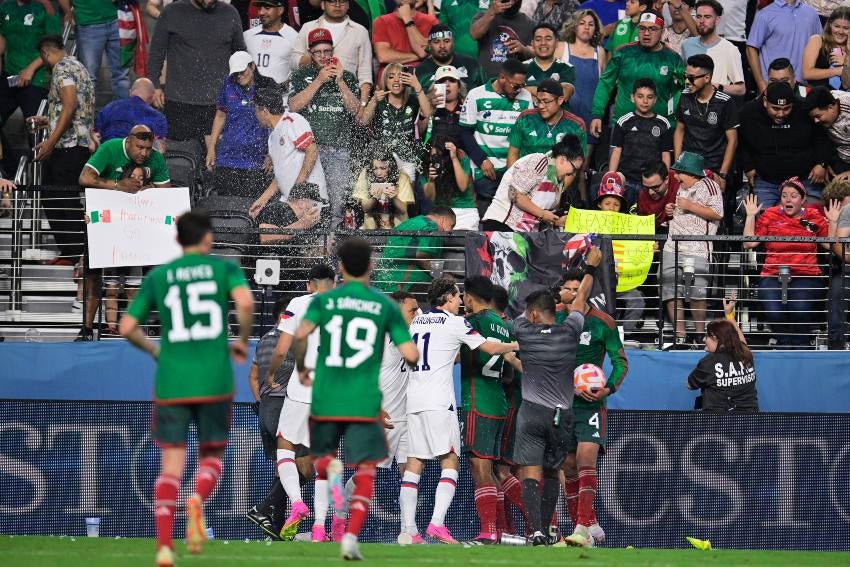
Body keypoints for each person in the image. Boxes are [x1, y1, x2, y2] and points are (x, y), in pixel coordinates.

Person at [119, 211, 254, 567]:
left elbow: (127, 326)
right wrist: (240, 340)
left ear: (177, 240)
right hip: (213, 380)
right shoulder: (224, 269)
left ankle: (164, 547)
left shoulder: (159, 276)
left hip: (172, 380)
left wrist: (154, 349)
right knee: (211, 458)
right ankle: (197, 499)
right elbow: (245, 303)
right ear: (208, 239)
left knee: (170, 466)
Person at [291, 236, 419, 560]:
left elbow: (301, 335)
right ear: (372, 266)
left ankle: (331, 513)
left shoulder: (324, 301)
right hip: (363, 399)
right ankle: (349, 536)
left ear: (341, 267)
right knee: (365, 472)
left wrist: (303, 368)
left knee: (328, 463)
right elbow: (411, 354)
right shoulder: (384, 306)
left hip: (328, 396)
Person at [400, 276, 518, 544]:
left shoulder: (417, 322)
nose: (460, 301)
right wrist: (516, 344)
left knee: (414, 462)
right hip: (439, 402)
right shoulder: (455, 323)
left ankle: (409, 529)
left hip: (414, 400)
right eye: (456, 297)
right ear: (447, 299)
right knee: (450, 461)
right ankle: (437, 525)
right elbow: (490, 347)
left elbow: (438, 353)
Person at [507, 246, 601, 546]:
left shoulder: (522, 329)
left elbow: (530, 310)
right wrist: (591, 269)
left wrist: (552, 296)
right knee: (551, 472)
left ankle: (535, 530)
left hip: (531, 411)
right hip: (562, 414)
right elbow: (581, 300)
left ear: (534, 313)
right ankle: (547, 529)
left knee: (529, 471)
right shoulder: (570, 330)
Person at [77, 125, 172, 340]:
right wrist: (118, 185)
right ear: (128, 141)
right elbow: (85, 178)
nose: (144, 153)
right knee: (94, 278)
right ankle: (86, 328)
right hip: (105, 225)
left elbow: (167, 192)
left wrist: (153, 190)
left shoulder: (156, 158)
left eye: (148, 148)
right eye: (140, 147)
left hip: (135, 229)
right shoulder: (111, 148)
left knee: (133, 284)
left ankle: (133, 332)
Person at [556, 268, 627, 547]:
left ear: (586, 290)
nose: (572, 295)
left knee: (587, 459)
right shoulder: (557, 319)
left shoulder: (602, 323)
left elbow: (620, 361)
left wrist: (607, 387)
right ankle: (590, 523)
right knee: (568, 467)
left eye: (577, 289)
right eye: (568, 289)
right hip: (561, 401)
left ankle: (582, 528)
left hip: (591, 404)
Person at [458, 276, 516, 544]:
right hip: (499, 402)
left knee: (480, 469)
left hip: (477, 401)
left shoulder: (472, 323)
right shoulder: (504, 325)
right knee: (495, 472)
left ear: (469, 297)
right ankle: (511, 530)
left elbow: (457, 354)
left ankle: (488, 532)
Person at [31, 35, 94, 268]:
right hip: (78, 144)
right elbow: (74, 110)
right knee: (65, 198)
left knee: (57, 198)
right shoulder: (79, 66)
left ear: (45, 53)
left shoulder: (61, 68)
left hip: (66, 146)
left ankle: (71, 253)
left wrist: (49, 142)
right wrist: (47, 120)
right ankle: (75, 252)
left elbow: (69, 105)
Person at [288, 27, 361, 226]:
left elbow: (357, 112)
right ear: (310, 54)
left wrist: (340, 82)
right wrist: (319, 80)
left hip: (339, 149)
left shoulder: (347, 77)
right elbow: (293, 106)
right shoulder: (300, 76)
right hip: (309, 151)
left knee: (337, 204)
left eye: (327, 51)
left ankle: (332, 247)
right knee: (310, 203)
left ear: (333, 51)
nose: (323, 56)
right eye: (318, 52)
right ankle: (312, 248)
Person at [742, 181, 829, 347]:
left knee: (800, 309)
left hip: (806, 274)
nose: (788, 200)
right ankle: (783, 344)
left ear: (803, 199)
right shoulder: (769, 214)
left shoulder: (813, 216)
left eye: (794, 196)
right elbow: (749, 244)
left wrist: (833, 221)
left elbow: (828, 245)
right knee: (773, 312)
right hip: (772, 273)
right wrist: (751, 216)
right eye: (784, 196)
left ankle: (800, 345)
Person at [147, 0, 246, 142]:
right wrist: (155, 85)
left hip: (218, 105)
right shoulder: (171, 12)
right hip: (179, 103)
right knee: (180, 159)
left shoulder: (230, 13)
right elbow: (156, 53)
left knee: (214, 160)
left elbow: (240, 55)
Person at [245, 296, 297, 540]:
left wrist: (260, 400)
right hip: (283, 407)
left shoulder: (263, 340)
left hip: (266, 408)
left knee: (282, 468)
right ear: (284, 316)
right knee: (298, 464)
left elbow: (253, 376)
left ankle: (276, 527)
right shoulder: (292, 342)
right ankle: (264, 510)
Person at [590, 11, 686, 138]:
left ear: (663, 32)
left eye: (652, 29)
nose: (646, 33)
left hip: (658, 129)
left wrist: (672, 122)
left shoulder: (673, 58)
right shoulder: (623, 53)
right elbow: (605, 83)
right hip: (623, 126)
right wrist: (597, 114)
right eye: (642, 28)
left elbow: (679, 92)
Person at [662, 151, 723, 345]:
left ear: (692, 173)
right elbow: (680, 211)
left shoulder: (711, 186)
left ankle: (699, 334)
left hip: (697, 248)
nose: (676, 176)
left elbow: (717, 214)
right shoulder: (680, 186)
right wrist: (670, 209)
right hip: (672, 245)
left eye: (680, 172)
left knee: (697, 293)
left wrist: (690, 206)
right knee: (670, 291)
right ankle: (680, 335)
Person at [460, 59, 534, 214]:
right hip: (486, 168)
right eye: (515, 86)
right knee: (491, 213)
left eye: (522, 85)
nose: (519, 90)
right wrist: (481, 160)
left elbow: (526, 135)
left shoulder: (525, 97)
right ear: (502, 78)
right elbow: (465, 133)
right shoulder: (476, 95)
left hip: (514, 167)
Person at [740, 82, 831, 207]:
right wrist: (748, 166)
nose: (781, 114)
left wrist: (821, 163)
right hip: (767, 180)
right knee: (764, 221)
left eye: (786, 108)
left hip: (805, 178)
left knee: (813, 216)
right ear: (765, 101)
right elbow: (741, 142)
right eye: (776, 108)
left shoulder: (804, 109)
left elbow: (821, 137)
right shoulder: (748, 112)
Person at [251, 87, 327, 220]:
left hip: (310, 202)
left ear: (265, 110)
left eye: (256, 109)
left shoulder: (292, 120)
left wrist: (299, 185)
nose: (255, 114)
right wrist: (262, 200)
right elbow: (280, 175)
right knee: (264, 225)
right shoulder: (272, 138)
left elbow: (312, 150)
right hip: (290, 202)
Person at [482, 134, 585, 232]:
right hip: (503, 225)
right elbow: (514, 194)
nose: (573, 173)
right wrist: (542, 214)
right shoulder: (539, 161)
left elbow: (539, 213)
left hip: (525, 232)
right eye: (574, 168)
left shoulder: (558, 180)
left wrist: (556, 221)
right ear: (563, 159)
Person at [206, 52, 271, 199]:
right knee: (225, 206)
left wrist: (271, 153)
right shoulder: (228, 83)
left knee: (250, 208)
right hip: (227, 158)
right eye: (236, 73)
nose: (239, 76)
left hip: (256, 161)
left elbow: (275, 121)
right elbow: (220, 115)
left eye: (242, 72)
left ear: (252, 66)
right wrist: (211, 148)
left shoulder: (267, 86)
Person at [673, 54, 738, 194]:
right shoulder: (684, 96)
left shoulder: (724, 102)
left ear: (707, 78)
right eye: (685, 76)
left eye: (691, 77)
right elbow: (679, 130)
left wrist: (722, 174)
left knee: (714, 211)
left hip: (714, 167)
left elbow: (733, 140)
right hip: (688, 167)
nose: (687, 81)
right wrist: (678, 163)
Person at [556, 9, 606, 189]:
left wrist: (597, 115)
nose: (586, 27)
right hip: (565, 115)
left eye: (591, 24)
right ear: (574, 26)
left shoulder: (599, 52)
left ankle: (582, 201)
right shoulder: (562, 47)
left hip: (589, 117)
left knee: (583, 164)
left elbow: (603, 87)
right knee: (562, 162)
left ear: (596, 30)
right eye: (582, 23)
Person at [358, 62, 431, 180]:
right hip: (381, 159)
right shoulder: (379, 100)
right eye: (391, 77)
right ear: (385, 81)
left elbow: (427, 113)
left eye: (400, 76)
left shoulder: (413, 99)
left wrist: (417, 86)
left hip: (406, 157)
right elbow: (364, 121)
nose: (396, 80)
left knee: (406, 196)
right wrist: (374, 101)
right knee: (381, 195)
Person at [686, 294, 759, 412]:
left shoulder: (708, 363)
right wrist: (729, 315)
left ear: (718, 339)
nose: (704, 340)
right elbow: (739, 338)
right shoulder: (745, 354)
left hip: (717, 425)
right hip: (749, 424)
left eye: (707, 336)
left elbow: (689, 385)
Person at [291, 0, 373, 104]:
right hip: (312, 98)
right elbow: (293, 62)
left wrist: (363, 104)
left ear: (348, 5)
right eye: (332, 1)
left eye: (342, 1)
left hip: (347, 99)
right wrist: (313, 57)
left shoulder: (360, 31)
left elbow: (365, 74)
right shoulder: (308, 27)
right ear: (322, 4)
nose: (338, 5)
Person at [608, 78, 673, 206]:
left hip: (652, 185)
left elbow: (666, 155)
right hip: (626, 181)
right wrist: (611, 177)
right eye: (640, 96)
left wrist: (664, 180)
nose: (645, 101)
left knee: (647, 219)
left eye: (649, 97)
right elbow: (616, 151)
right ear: (632, 98)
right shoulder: (623, 121)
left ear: (655, 99)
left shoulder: (663, 124)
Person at [0, 0, 61, 131]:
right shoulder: (6, 7)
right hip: (11, 77)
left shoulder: (45, 7)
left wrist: (30, 69)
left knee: (34, 129)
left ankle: (38, 151)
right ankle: (7, 152)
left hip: (36, 79)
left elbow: (54, 49)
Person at [373, 206, 457, 293]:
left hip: (383, 284)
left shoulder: (408, 223)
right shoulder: (433, 228)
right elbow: (422, 257)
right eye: (451, 226)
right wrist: (442, 275)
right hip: (407, 287)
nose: (451, 231)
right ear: (443, 220)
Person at [746, 0, 822, 93]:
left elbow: (821, 45)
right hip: (773, 85)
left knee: (801, 107)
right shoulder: (765, 14)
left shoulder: (812, 14)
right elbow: (751, 48)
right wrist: (761, 84)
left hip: (804, 87)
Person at [57, 0, 128, 100]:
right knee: (90, 78)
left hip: (116, 18)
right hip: (88, 22)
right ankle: (89, 115)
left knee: (121, 76)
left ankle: (122, 114)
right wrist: (68, 11)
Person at [508, 79, 587, 167]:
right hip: (525, 176)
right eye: (538, 101)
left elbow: (578, 164)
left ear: (560, 100)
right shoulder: (525, 118)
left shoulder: (576, 125)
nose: (541, 106)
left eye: (546, 101)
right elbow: (513, 153)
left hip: (559, 178)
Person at [680, 0, 746, 96]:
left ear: (717, 20)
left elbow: (741, 89)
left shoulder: (730, 49)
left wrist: (715, 87)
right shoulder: (686, 45)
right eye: (698, 17)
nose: (702, 21)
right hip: (690, 104)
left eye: (707, 17)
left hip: (717, 106)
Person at [94, 79, 168, 151]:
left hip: (105, 155)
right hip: (134, 160)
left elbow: (95, 135)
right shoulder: (157, 117)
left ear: (130, 92)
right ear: (152, 96)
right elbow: (159, 150)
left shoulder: (109, 107)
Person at [470, 0, 536, 79]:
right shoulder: (484, 15)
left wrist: (523, 49)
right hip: (485, 81)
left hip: (513, 83)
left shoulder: (530, 24)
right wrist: (491, 12)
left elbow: (537, 57)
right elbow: (474, 34)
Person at [371, 0, 438, 79]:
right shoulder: (381, 22)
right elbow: (383, 56)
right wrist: (420, 56)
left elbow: (421, 51)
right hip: (390, 83)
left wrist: (407, 19)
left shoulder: (431, 22)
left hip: (422, 80)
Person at [421, 136, 477, 229]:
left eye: (440, 155)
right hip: (440, 213)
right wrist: (431, 181)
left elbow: (463, 187)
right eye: (434, 156)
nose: (437, 159)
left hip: (464, 211)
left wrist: (454, 158)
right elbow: (430, 199)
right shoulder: (427, 165)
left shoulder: (459, 156)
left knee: (463, 241)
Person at [351, 151, 415, 228]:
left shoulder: (401, 176)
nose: (378, 173)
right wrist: (374, 198)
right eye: (375, 168)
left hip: (398, 228)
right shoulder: (366, 174)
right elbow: (365, 208)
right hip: (372, 228)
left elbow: (403, 209)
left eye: (383, 168)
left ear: (390, 167)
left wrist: (394, 198)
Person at [415, 24, 486, 93]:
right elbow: (414, 100)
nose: (442, 46)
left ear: (453, 43)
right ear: (429, 45)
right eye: (436, 42)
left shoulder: (472, 65)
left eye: (447, 41)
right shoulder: (420, 71)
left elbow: (486, 92)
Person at [244, 0, 298, 86]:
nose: (261, 12)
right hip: (249, 97)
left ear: (280, 10)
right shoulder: (247, 36)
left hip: (281, 97)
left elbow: (299, 71)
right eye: (259, 8)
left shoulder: (294, 37)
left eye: (267, 8)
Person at [804, 86, 850, 183]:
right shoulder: (823, 99)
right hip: (839, 157)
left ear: (830, 107)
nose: (816, 121)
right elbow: (821, 139)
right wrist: (824, 163)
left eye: (818, 116)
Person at [824, 180, 850, 348]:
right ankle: (836, 344)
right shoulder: (846, 211)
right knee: (837, 291)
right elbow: (836, 244)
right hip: (846, 268)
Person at [802, 6, 850, 90]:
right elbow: (807, 73)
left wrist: (846, 60)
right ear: (830, 24)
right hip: (818, 96)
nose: (841, 32)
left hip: (844, 98)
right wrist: (839, 70)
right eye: (837, 26)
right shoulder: (817, 40)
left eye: (846, 28)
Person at [524, 23, 576, 99]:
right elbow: (518, 94)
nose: (543, 43)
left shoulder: (566, 68)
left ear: (556, 43)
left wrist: (530, 89)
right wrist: (552, 91)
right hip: (528, 111)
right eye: (538, 39)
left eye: (548, 39)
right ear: (532, 44)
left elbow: (563, 95)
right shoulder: (522, 67)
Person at [637, 160, 679, 232]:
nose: (651, 192)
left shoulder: (679, 182)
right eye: (647, 187)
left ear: (666, 179)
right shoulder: (642, 195)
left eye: (655, 187)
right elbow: (643, 228)